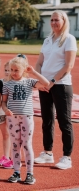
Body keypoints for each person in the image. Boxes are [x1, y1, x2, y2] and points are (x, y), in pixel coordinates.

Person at [34, 10, 77, 170]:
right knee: (47, 120)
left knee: (64, 121)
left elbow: (69, 65)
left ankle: (66, 157)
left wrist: (51, 81)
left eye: (56, 20)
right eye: (51, 20)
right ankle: (47, 153)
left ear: (64, 21)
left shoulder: (69, 39)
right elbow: (39, 62)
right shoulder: (47, 40)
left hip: (61, 85)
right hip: (45, 85)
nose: (53, 23)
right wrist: (41, 80)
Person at [2, 56, 49, 185]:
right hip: (13, 119)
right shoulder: (7, 84)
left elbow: (46, 83)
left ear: (24, 70)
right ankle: (16, 172)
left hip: (27, 117)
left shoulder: (29, 82)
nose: (13, 72)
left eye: (16, 70)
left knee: (26, 145)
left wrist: (33, 72)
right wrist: (5, 110)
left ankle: (30, 173)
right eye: (11, 69)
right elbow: (4, 102)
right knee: (15, 145)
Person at [0, 61, 12, 168]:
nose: (7, 72)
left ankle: (13, 157)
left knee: (14, 135)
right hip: (1, 112)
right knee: (5, 134)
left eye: (9, 70)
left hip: (12, 112)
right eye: (5, 70)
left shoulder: (16, 82)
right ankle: (6, 156)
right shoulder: (0, 82)